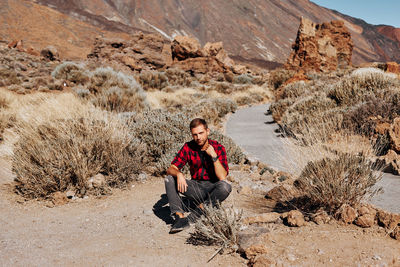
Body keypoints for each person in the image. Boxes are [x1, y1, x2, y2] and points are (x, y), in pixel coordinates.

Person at [165, 118, 232, 234]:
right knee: (170, 179)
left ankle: (195, 215)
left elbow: (222, 177)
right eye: (195, 134)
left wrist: (214, 156)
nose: (198, 137)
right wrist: (179, 174)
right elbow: (171, 168)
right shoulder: (188, 147)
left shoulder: (218, 147)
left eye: (201, 133)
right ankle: (179, 217)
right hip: (197, 187)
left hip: (213, 188)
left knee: (225, 187)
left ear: (208, 131)